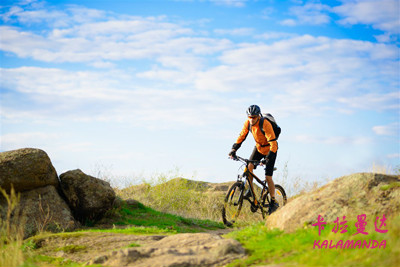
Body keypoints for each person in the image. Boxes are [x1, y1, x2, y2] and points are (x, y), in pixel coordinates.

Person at [228, 104, 279, 214]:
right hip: (259, 148)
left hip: (271, 149)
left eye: (254, 117)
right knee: (248, 167)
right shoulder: (248, 123)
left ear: (258, 116)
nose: (251, 119)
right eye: (249, 117)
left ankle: (273, 201)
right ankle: (251, 191)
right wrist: (233, 149)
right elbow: (242, 136)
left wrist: (267, 158)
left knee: (268, 176)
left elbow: (273, 143)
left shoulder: (265, 123)